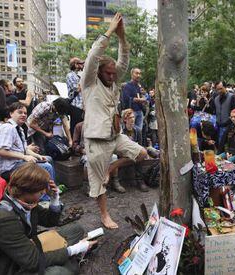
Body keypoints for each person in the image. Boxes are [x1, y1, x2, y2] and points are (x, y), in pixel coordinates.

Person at [81, 13, 148, 229]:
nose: (112, 76)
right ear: (98, 72)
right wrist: (109, 31)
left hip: (115, 135)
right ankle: (104, 215)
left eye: (113, 73)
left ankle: (112, 168)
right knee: (99, 184)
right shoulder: (90, 82)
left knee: (142, 154)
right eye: (108, 73)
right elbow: (93, 55)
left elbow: (124, 59)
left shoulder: (113, 82)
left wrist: (122, 36)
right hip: (96, 140)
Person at [0, 163, 96, 275]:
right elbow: (32, 261)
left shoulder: (25, 200)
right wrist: (74, 249)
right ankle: (70, 260)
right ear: (27, 190)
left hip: (26, 247)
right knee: (59, 273)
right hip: (7, 265)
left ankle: (67, 260)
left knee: (76, 229)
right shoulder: (4, 220)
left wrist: (54, 199)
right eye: (40, 191)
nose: (44, 192)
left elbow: (50, 221)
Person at [0, 102, 55, 181]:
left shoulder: (19, 129)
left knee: (48, 158)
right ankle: (47, 192)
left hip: (16, 163)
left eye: (25, 113)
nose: (24, 115)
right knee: (46, 167)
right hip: (7, 169)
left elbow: (24, 149)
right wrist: (24, 157)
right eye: (20, 112)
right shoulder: (8, 128)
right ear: (11, 114)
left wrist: (37, 156)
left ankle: (51, 188)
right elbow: (0, 151)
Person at [66, 57, 85, 135]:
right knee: (75, 128)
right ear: (76, 65)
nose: (83, 65)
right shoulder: (70, 75)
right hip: (76, 106)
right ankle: (73, 144)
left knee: (82, 128)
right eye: (80, 63)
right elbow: (77, 88)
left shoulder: (79, 75)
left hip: (82, 107)